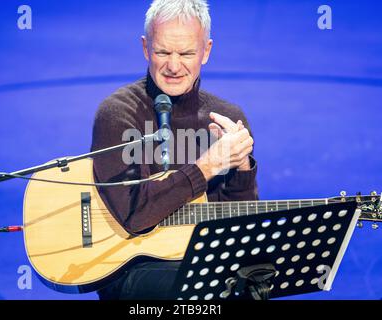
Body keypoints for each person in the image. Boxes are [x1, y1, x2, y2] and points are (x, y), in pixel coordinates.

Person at [91, 0, 258, 300]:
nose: (173, 65)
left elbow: (240, 224)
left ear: (206, 51)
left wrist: (241, 167)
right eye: (163, 52)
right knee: (209, 287)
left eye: (186, 53)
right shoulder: (118, 113)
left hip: (202, 262)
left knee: (254, 281)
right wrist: (207, 166)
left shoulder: (227, 117)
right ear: (145, 48)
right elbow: (135, 217)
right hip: (130, 265)